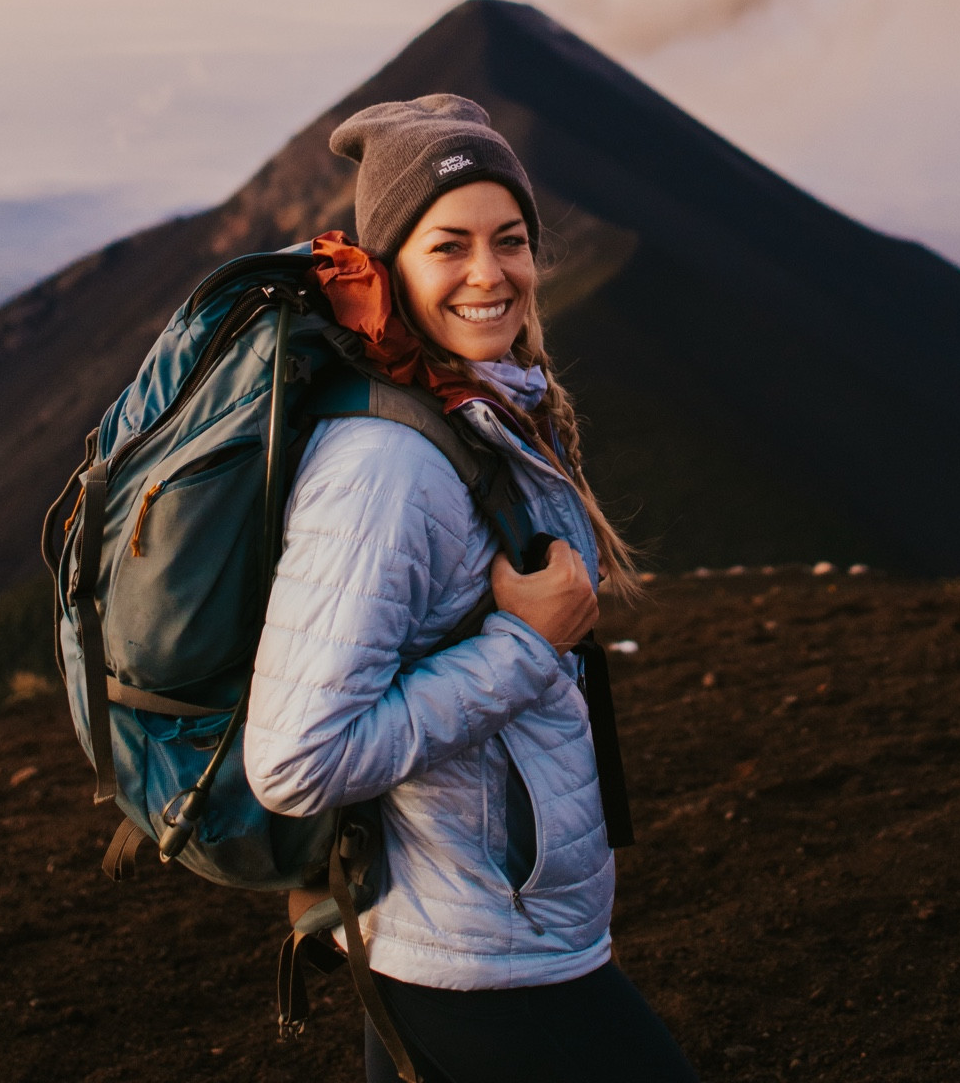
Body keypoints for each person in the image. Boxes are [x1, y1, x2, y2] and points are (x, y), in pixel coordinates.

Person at [244, 94, 698, 1083]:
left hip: (471, 935)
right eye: (448, 244)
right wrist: (524, 645)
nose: (490, 273)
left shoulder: (488, 414)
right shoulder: (386, 465)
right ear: (390, 266)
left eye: (511, 238)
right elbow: (295, 758)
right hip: (478, 960)